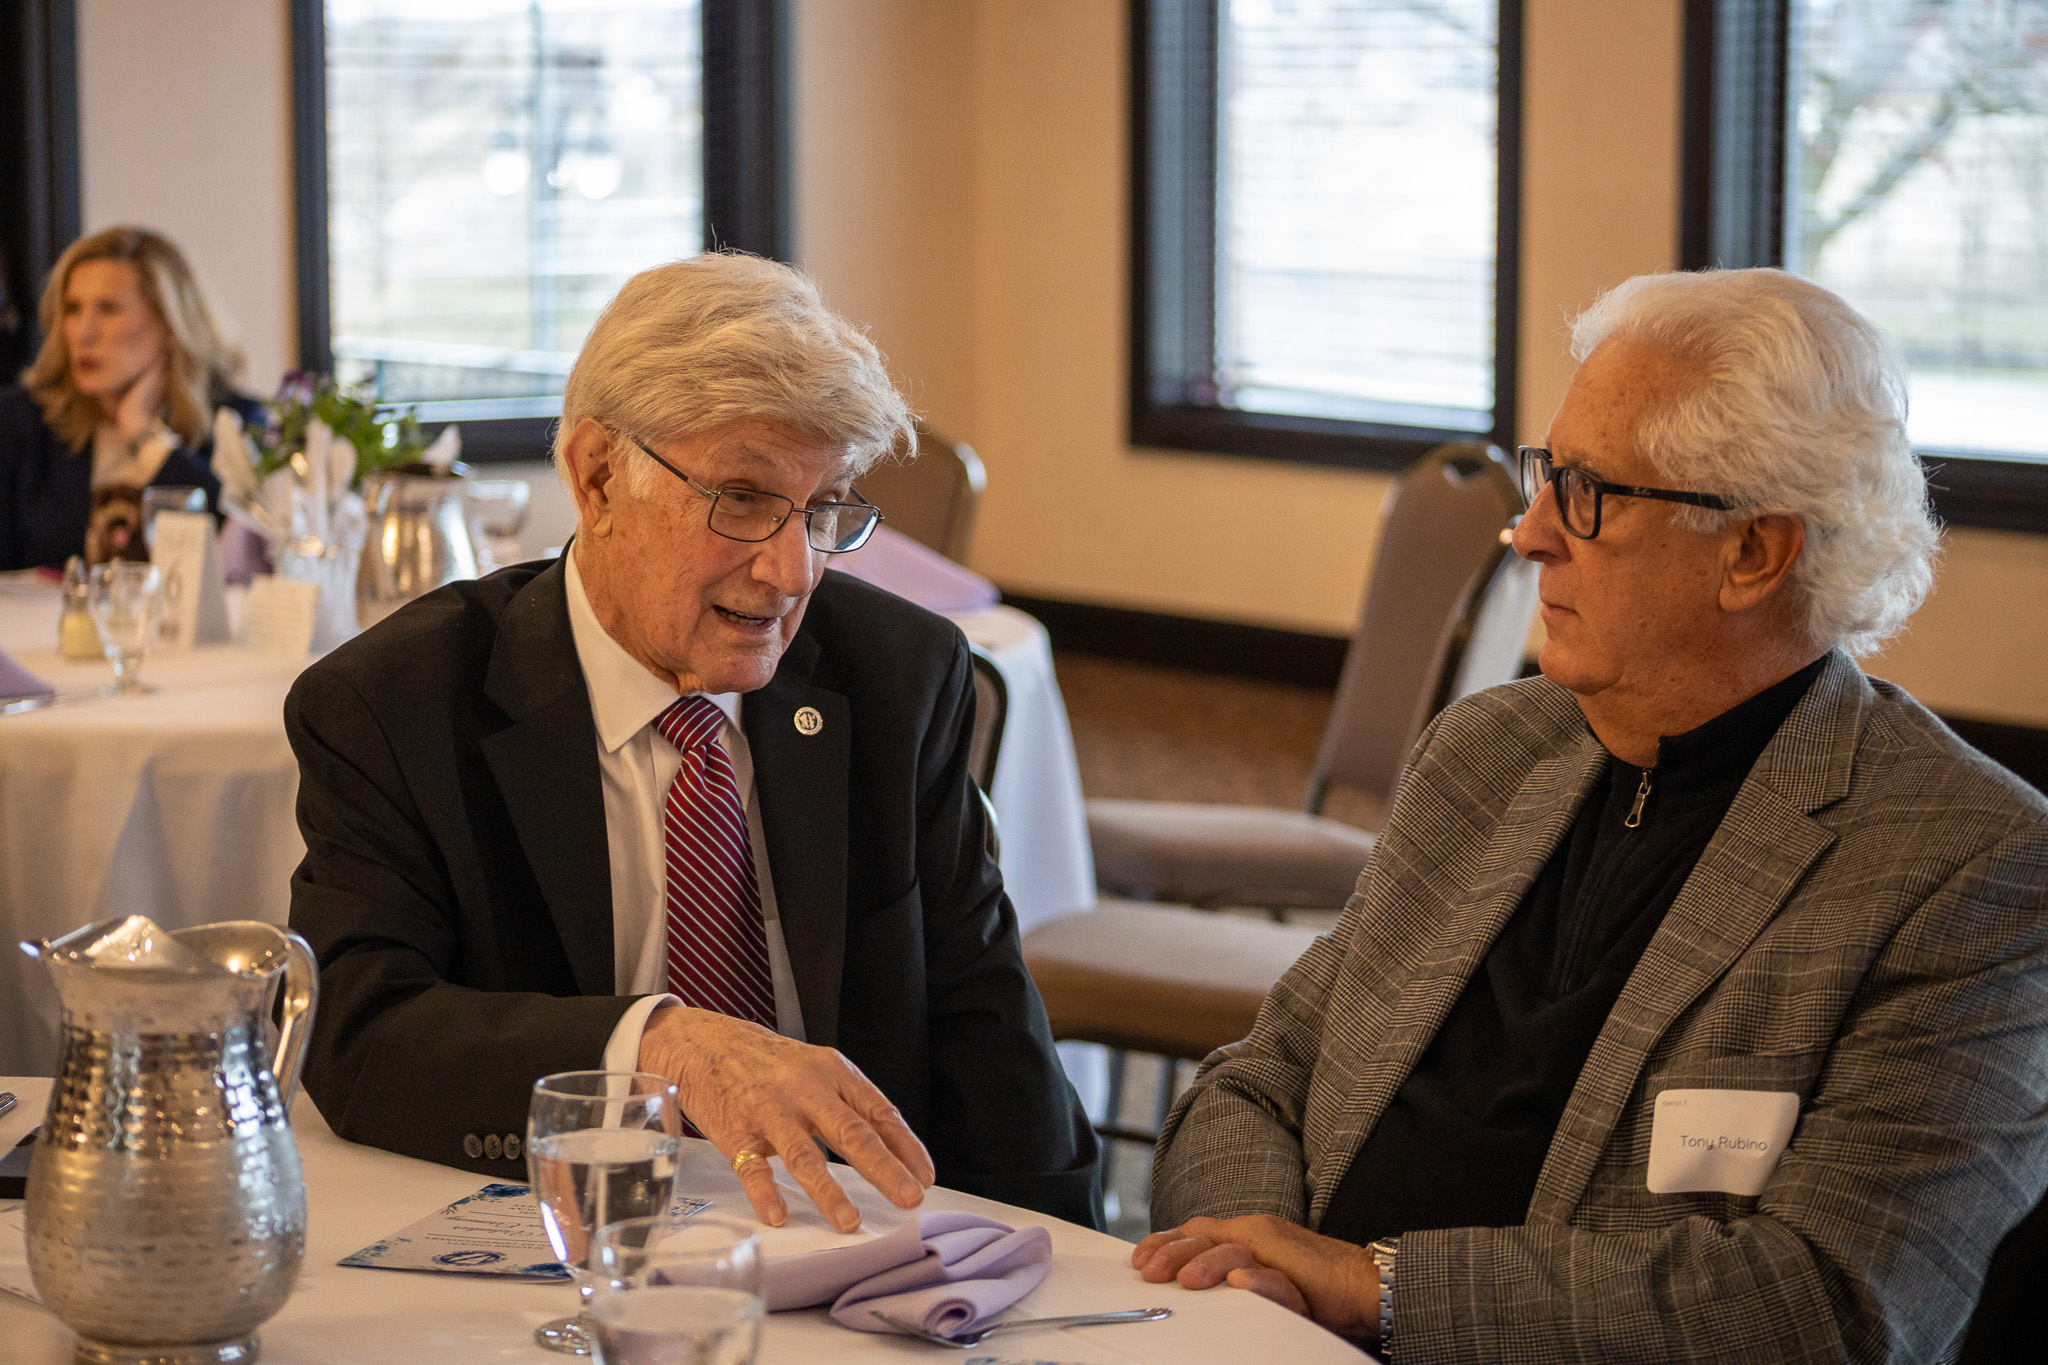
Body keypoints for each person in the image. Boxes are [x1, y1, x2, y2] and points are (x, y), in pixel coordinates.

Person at [1137, 268, 2048, 1361]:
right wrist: (1250, 1270)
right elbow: (1259, 1077)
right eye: (1545, 476)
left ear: (1752, 554)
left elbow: (1827, 1306)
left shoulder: (1965, 866)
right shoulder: (1489, 751)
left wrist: (1368, 1289)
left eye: (1585, 493)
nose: (1527, 535)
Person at [285, 252, 1099, 1233]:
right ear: (596, 477)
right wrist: (654, 1045)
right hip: (556, 1239)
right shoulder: (399, 703)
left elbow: (987, 1031)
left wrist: (1068, 1261)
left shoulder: (897, 678)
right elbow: (360, 1030)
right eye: (743, 498)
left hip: (848, 1241)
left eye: (824, 508)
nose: (793, 571)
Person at [0, 226, 259, 570]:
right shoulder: (21, 421)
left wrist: (143, 434)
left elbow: (238, 552)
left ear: (169, 323)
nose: (83, 333)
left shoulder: (237, 422)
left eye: (108, 309)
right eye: (73, 309)